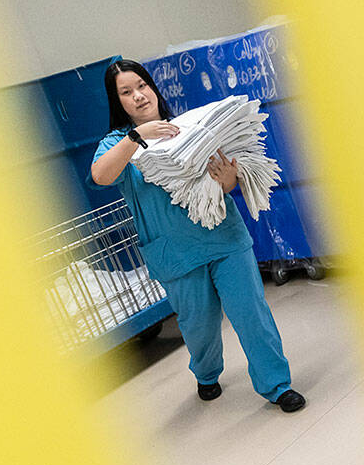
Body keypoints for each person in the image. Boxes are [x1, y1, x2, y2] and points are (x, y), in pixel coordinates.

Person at [90, 59, 305, 412]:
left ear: (153, 87)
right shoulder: (119, 143)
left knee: (252, 314)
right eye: (126, 92)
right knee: (199, 327)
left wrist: (228, 181)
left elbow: (228, 178)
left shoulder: (189, 127)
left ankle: (277, 385)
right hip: (176, 254)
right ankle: (206, 374)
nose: (139, 96)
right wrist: (136, 137)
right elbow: (101, 175)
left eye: (142, 85)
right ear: (118, 103)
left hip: (224, 238)